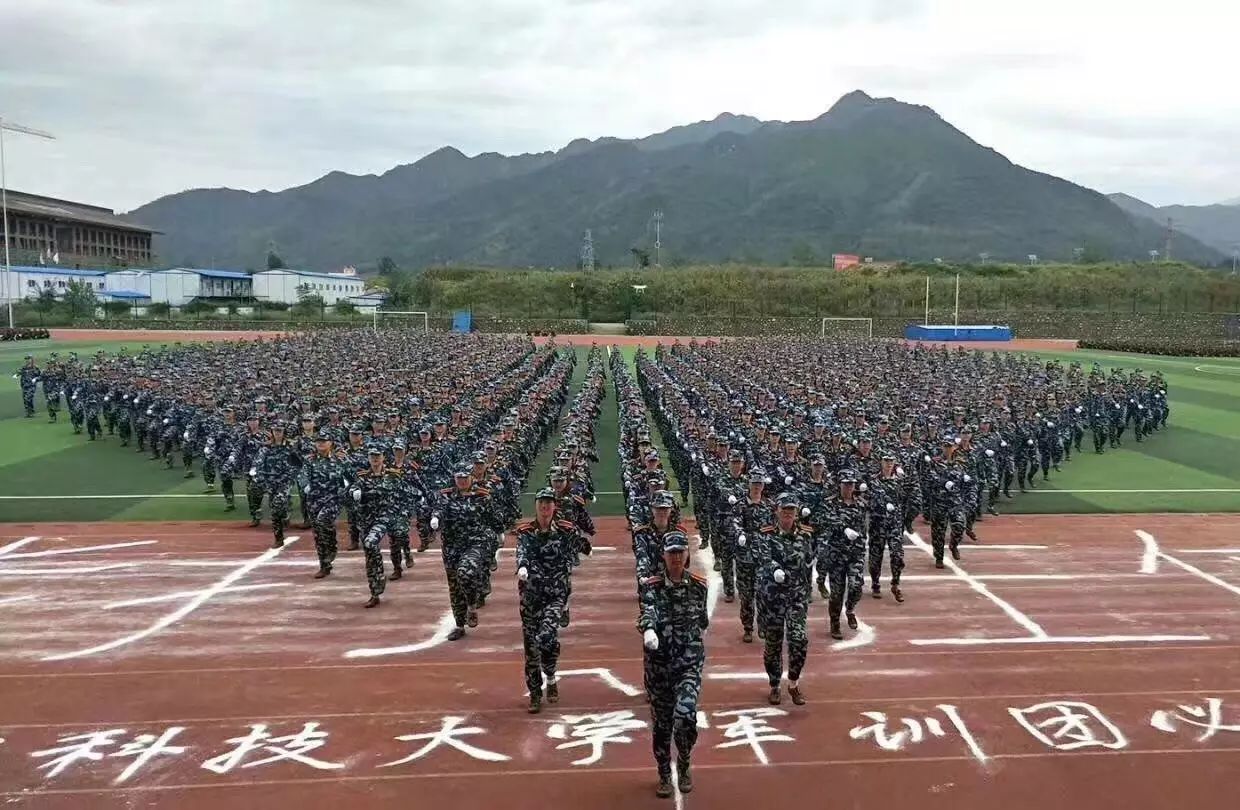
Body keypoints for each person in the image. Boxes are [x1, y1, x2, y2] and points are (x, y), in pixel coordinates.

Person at [639, 529, 708, 799]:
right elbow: (646, 612)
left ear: (687, 555)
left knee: (686, 715)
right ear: (664, 556)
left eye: (680, 552)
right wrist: (649, 631)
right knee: (662, 724)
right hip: (659, 667)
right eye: (672, 553)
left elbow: (702, 622)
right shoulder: (651, 586)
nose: (676, 558)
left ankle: (685, 760)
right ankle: (664, 773)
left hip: (688, 664)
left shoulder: (699, 586)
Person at [516, 488, 583, 714]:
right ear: (535, 506)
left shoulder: (565, 530)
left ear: (555, 506)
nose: (545, 507)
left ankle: (551, 674)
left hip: (555, 595)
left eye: (548, 503)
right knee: (531, 648)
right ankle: (535, 693)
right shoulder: (526, 531)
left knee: (546, 636)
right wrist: (522, 566)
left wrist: (585, 547)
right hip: (531, 597)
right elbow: (521, 551)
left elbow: (579, 544)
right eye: (541, 503)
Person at [757, 492, 815, 706]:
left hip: (796, 597)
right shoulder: (766, 533)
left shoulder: (806, 534)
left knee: (799, 640)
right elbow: (762, 557)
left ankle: (793, 682)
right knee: (773, 644)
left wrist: (808, 591)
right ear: (777, 511)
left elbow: (810, 561)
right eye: (784, 510)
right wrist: (774, 569)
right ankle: (774, 684)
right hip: (772, 598)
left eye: (791, 511)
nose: (788, 514)